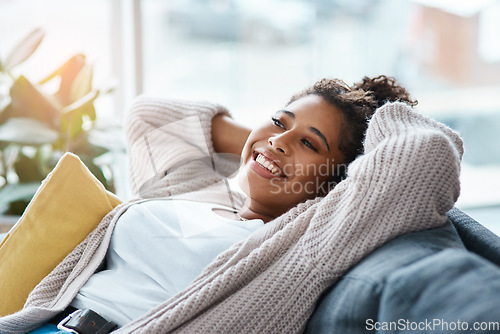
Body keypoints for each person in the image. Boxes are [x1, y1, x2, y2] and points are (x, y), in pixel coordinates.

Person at [0, 75, 463, 333]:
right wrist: (268, 146)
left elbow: (425, 159)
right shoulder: (198, 187)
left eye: (311, 143)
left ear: (339, 181)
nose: (281, 140)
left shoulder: (306, 238)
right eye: (279, 121)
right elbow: (150, 114)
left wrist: (356, 135)